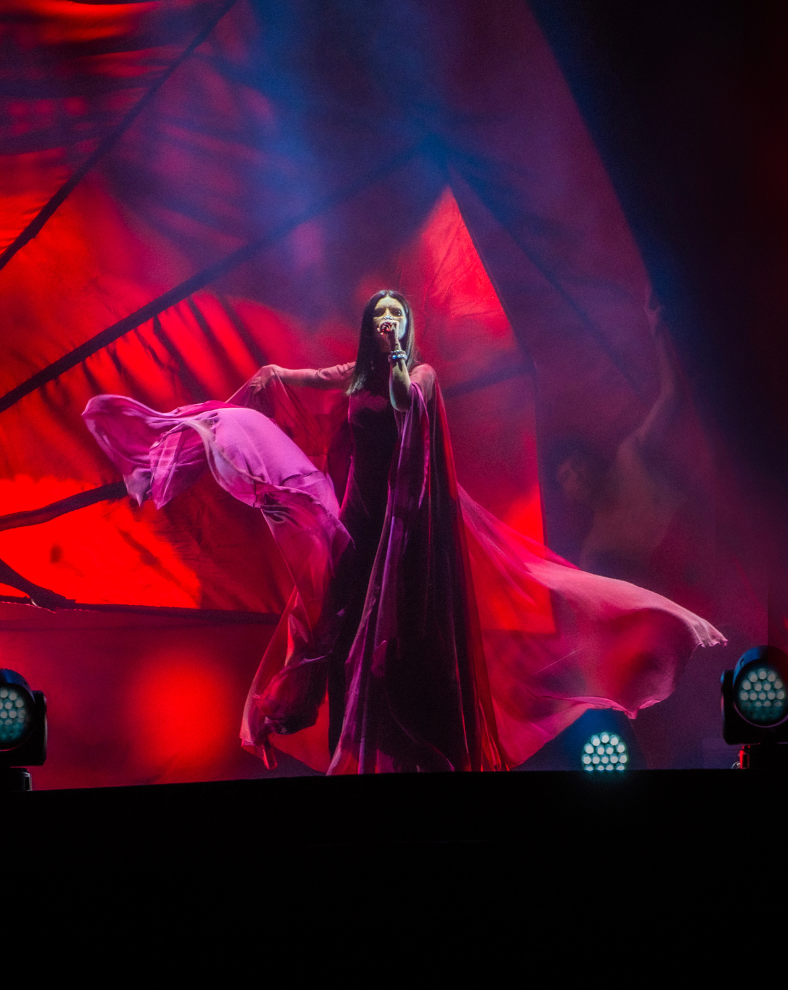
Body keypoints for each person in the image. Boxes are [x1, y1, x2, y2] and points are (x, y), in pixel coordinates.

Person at [83, 290, 725, 774]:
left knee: (386, 645)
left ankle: (399, 750)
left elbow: (408, 414)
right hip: (354, 523)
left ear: (405, 329)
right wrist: (274, 374)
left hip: (401, 530)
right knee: (333, 629)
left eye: (396, 319)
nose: (387, 325)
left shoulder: (418, 377)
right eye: (380, 318)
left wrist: (392, 364)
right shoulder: (358, 375)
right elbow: (304, 380)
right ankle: (322, 726)